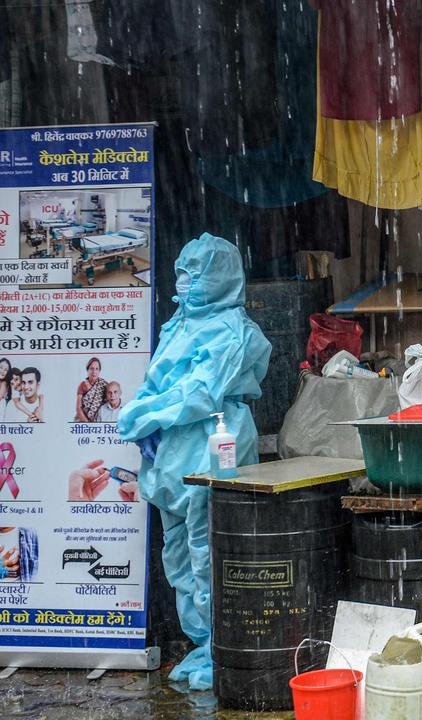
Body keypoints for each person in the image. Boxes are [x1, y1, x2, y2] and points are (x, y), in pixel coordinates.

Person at [118, 233, 271, 692]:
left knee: (211, 552)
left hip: (212, 441)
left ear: (220, 279)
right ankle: (201, 643)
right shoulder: (178, 324)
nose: (184, 284)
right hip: (170, 453)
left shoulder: (232, 331)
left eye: (194, 275)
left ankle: (225, 648)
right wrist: (147, 416)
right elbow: (158, 376)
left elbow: (201, 393)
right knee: (179, 553)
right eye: (181, 274)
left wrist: (144, 415)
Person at [75, 357, 108, 422]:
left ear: (99, 371)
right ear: (88, 370)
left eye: (96, 369)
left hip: (99, 421)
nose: (94, 371)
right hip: (82, 420)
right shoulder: (83, 385)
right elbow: (78, 408)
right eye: (91, 368)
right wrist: (87, 423)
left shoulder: (104, 385)